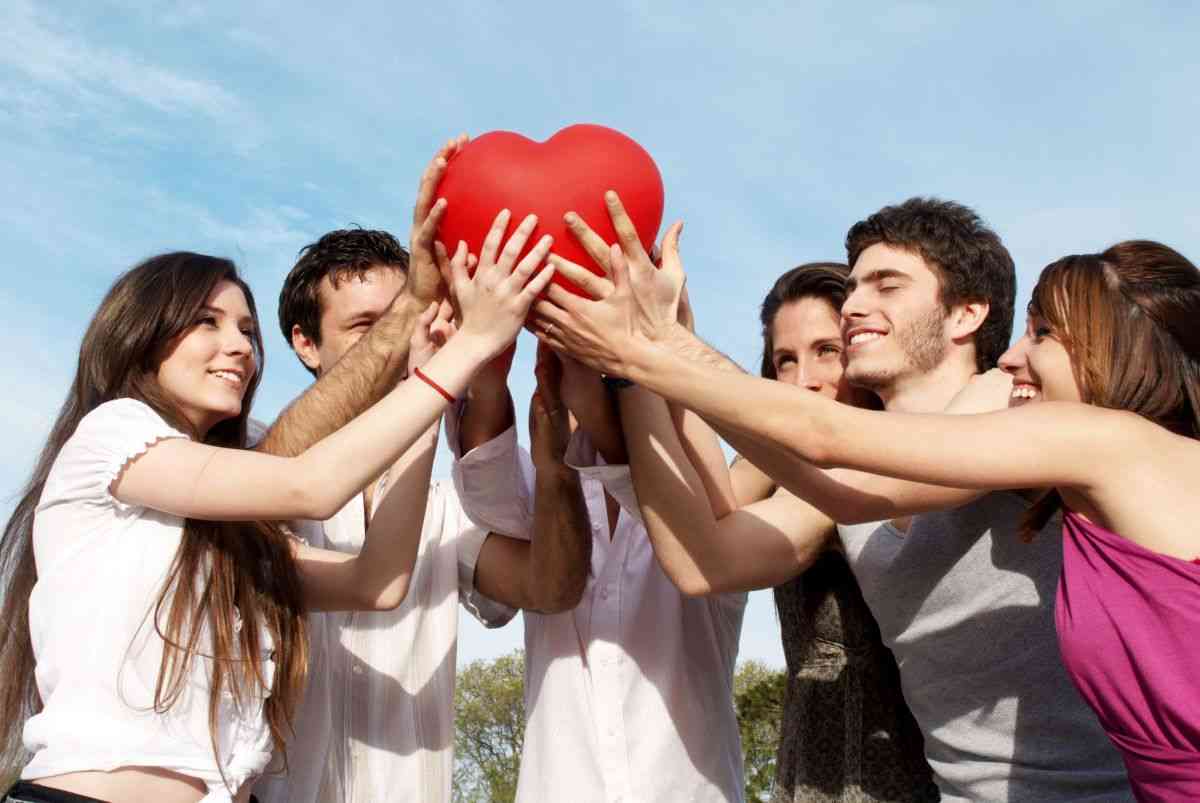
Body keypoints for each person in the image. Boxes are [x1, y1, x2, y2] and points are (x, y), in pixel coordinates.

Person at [536, 193, 1132, 801]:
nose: (853, 307)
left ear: (965, 315)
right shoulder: (842, 487)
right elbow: (703, 561)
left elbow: (834, 455)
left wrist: (652, 346)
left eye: (886, 286)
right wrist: (631, 374)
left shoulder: (1008, 399)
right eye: (853, 289)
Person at [0, 221, 554, 803]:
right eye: (206, 322)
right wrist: (466, 351)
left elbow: (378, 583)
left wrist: (421, 379)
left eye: (245, 328)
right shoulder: (112, 435)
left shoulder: (225, 528)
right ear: (139, 334)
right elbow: (309, 485)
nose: (240, 345)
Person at [254, 209, 591, 802]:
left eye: (411, 314)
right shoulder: (251, 459)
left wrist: (554, 463)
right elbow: (275, 475)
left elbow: (550, 589)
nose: (402, 339)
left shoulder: (446, 505)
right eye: (368, 326)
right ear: (305, 344)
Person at [613, 261, 937, 801]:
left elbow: (706, 560)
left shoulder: (890, 461)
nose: (803, 379)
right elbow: (719, 502)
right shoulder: (778, 464)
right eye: (785, 361)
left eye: (826, 351)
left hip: (894, 772)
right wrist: (671, 348)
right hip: (808, 761)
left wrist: (646, 359)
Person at [444, 271, 747, 800]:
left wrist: (661, 346)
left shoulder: (700, 496)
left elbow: (678, 512)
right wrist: (490, 377)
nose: (595, 366)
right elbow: (486, 491)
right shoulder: (542, 485)